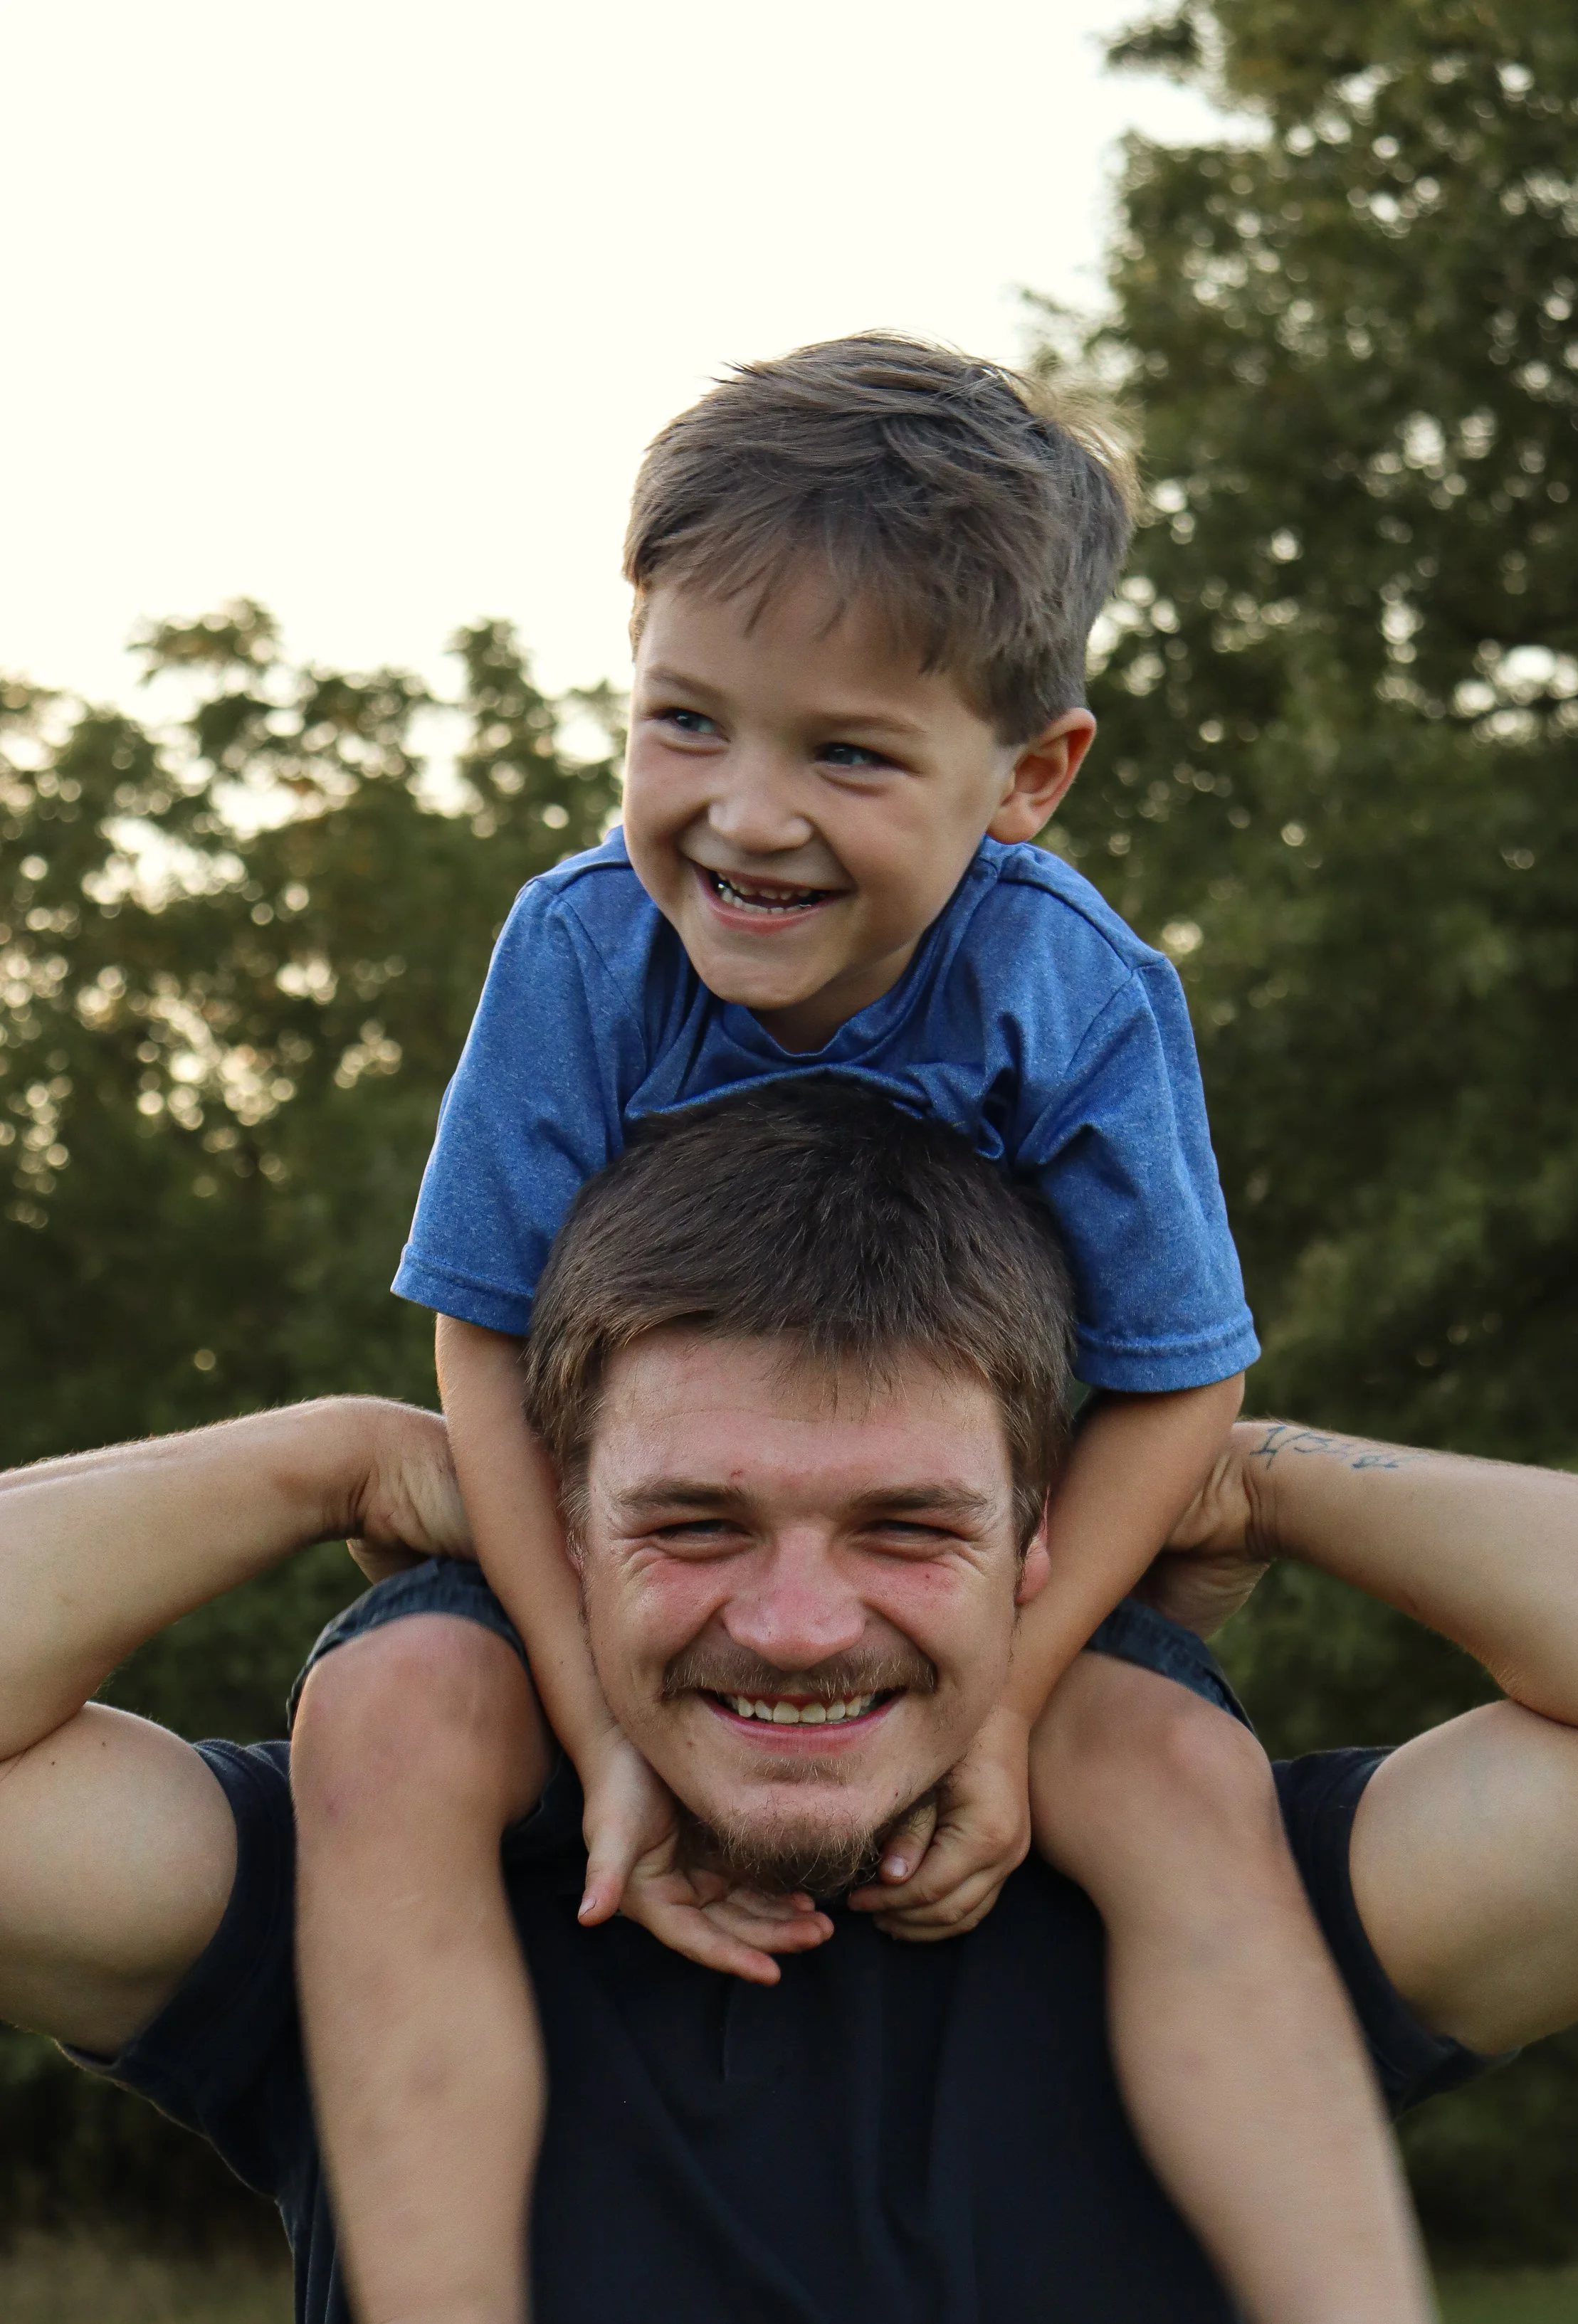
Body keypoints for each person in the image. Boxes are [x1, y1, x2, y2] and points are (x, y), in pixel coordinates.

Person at [293, 337, 1429, 2323]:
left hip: (947, 1580)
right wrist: (591, 1722)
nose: (743, 816)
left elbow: (1183, 1383)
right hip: (632, 1575)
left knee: (1174, 1779)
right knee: (386, 1716)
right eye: (683, 723)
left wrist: (1005, 1695)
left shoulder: (1067, 992)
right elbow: (478, 1345)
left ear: (1029, 777)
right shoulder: (581, 948)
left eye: (847, 754)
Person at [7, 1091, 1578, 2324]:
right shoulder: (383, 1887)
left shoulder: (1219, 1898)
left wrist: (1237, 1484)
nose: (792, 1625)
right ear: (551, 1531)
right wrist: (336, 1462)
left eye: (906, 1525)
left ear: (1039, 1542)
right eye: (694, 1521)